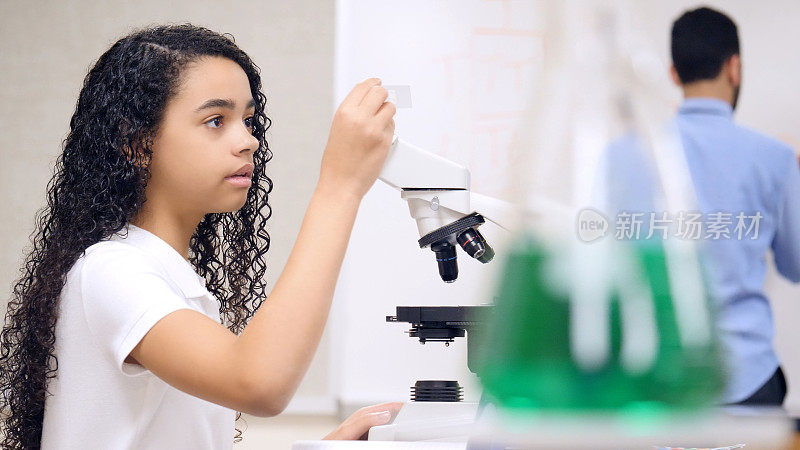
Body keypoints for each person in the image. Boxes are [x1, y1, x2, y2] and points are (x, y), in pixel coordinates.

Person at [0, 24, 402, 448]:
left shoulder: (169, 277)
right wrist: (340, 186)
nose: (247, 140)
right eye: (216, 120)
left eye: (248, 120)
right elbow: (260, 383)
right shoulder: (111, 270)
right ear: (136, 143)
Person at [667, 7, 800, 406]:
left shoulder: (628, 154)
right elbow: (795, 265)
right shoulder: (775, 157)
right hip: (747, 381)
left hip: (661, 384)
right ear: (734, 67)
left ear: (674, 73)